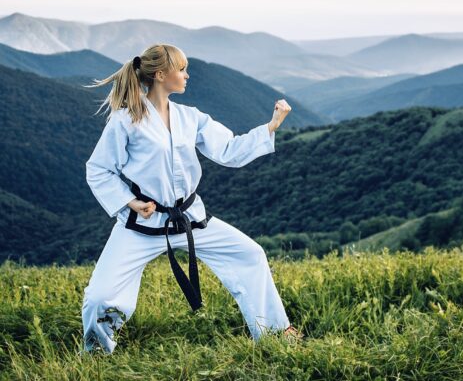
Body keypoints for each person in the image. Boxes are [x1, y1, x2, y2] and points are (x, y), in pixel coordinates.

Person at [80, 43, 302, 355]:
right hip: (142, 224)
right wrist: (130, 202)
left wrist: (271, 127)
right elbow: (99, 169)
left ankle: (274, 333)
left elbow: (229, 150)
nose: (186, 76)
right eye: (181, 70)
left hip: (189, 218)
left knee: (250, 255)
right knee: (100, 297)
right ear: (160, 75)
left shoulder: (190, 117)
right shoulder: (126, 119)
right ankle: (97, 354)